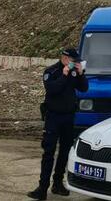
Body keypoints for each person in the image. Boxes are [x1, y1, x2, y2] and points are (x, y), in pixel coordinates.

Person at [28, 48, 89, 199]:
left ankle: (58, 183)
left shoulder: (75, 72)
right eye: (73, 60)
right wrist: (64, 74)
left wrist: (81, 74)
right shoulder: (52, 71)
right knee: (48, 152)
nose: (75, 63)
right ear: (64, 58)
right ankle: (42, 188)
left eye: (76, 61)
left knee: (65, 152)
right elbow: (52, 89)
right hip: (53, 117)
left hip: (68, 118)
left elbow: (84, 88)